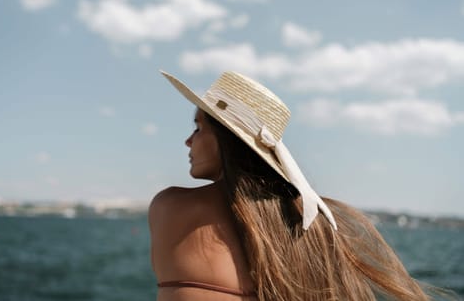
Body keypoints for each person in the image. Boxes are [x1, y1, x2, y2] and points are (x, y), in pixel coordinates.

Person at [148, 70, 443, 301]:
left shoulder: (172, 208)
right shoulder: (310, 228)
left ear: (227, 140)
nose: (188, 140)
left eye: (198, 127)